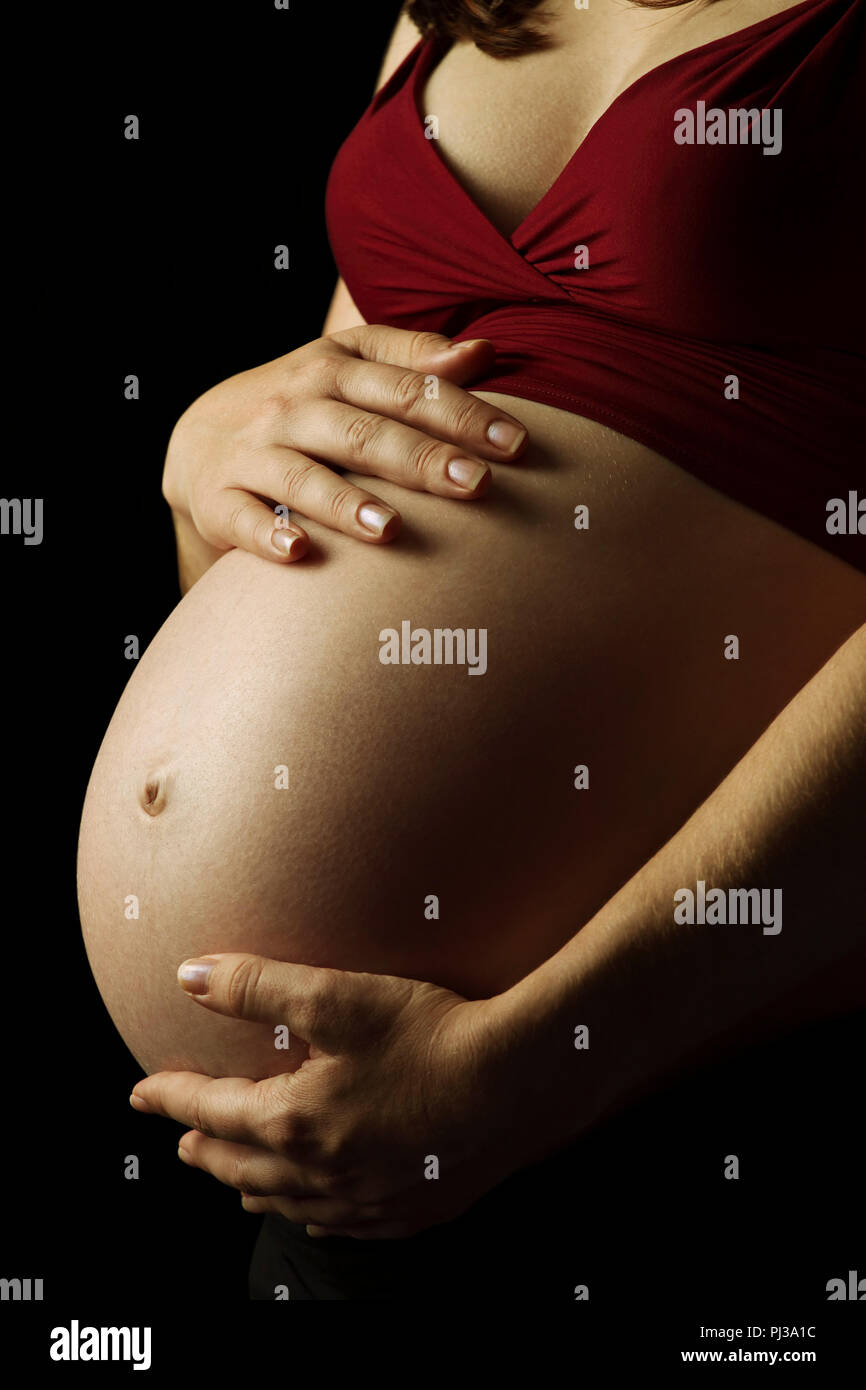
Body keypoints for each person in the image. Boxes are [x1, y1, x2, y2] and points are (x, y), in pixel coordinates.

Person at [79, 0, 865, 1300]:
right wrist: (198, 471)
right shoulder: (456, 6)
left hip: (675, 1061)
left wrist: (525, 1067)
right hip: (352, 1154)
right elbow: (309, 502)